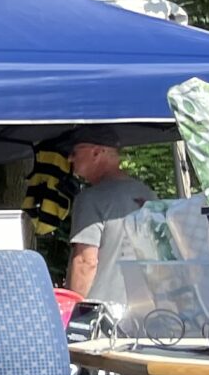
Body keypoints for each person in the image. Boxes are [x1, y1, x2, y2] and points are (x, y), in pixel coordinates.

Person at [65, 125, 155, 301]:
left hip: (102, 316)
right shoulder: (149, 195)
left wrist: (72, 309)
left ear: (96, 152)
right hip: (147, 311)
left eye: (75, 152)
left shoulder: (91, 199)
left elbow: (86, 262)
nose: (70, 158)